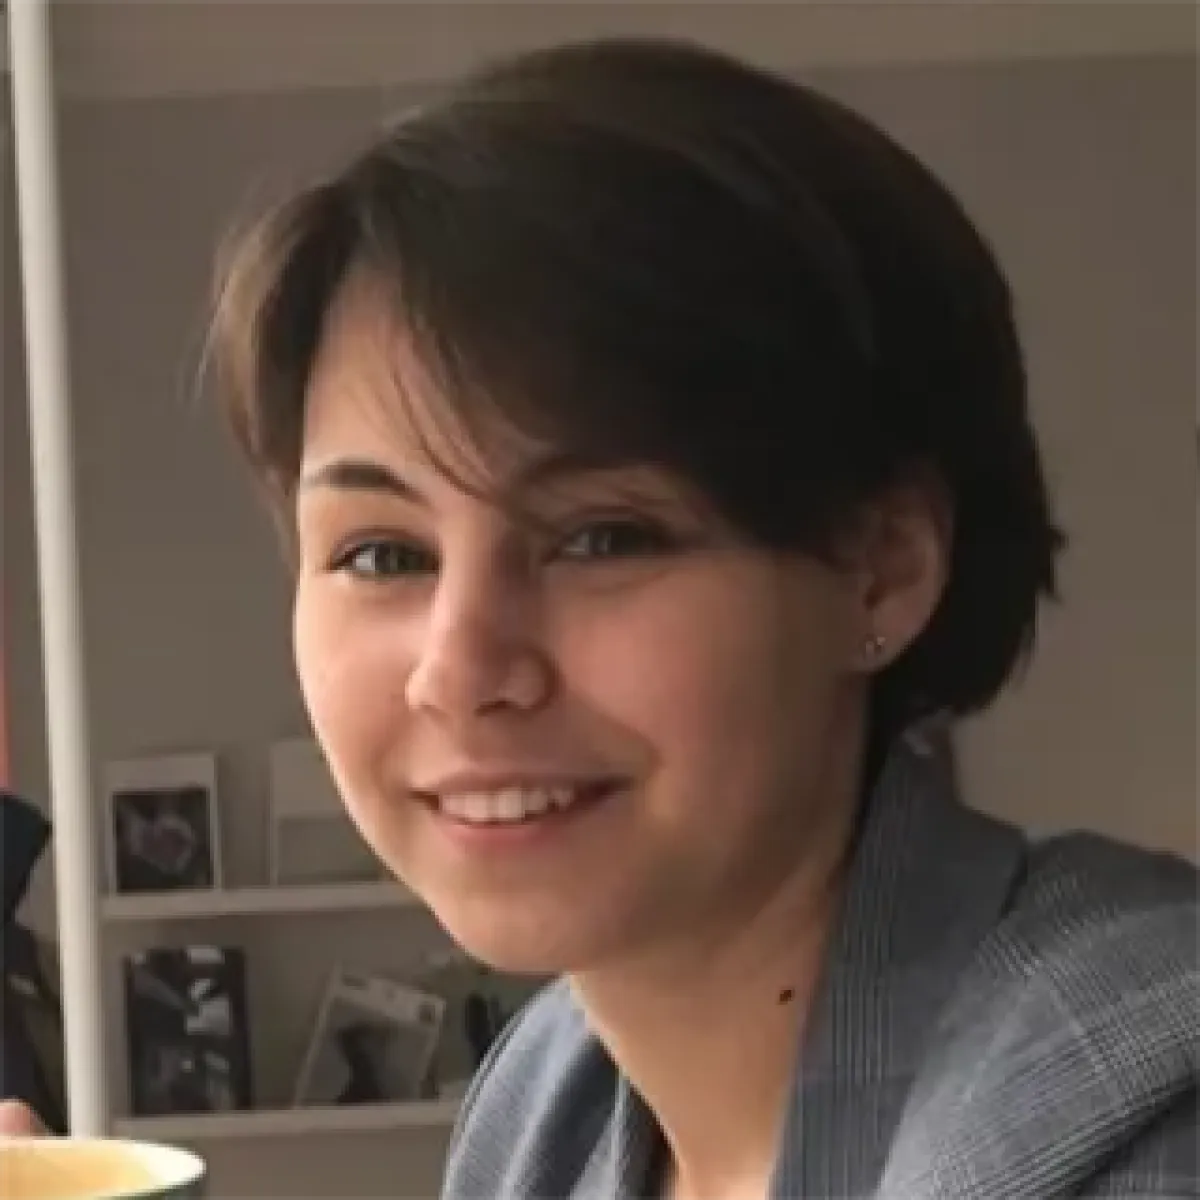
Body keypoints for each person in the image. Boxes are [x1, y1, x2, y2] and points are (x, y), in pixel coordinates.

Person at [8, 35, 1200, 1196]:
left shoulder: (1137, 1128)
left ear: (879, 570)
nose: (459, 669)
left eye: (603, 538)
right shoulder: (545, 1098)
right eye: (383, 553)